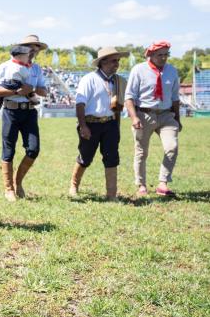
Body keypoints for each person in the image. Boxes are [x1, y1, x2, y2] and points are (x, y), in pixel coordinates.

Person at [0, 36, 48, 201]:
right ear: (23, 48)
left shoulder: (37, 69)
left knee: (33, 149)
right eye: (31, 48)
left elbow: (44, 92)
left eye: (36, 49)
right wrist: (17, 91)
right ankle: (9, 188)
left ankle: (18, 181)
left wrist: (33, 88)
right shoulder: (6, 66)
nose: (34, 51)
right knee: (8, 150)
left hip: (30, 112)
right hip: (11, 111)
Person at [124, 41, 181, 197]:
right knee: (141, 152)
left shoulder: (172, 71)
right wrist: (134, 117)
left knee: (172, 147)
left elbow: (175, 97)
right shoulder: (138, 70)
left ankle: (163, 183)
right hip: (144, 114)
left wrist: (177, 119)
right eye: (160, 55)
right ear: (150, 55)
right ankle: (141, 185)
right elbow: (129, 97)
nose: (163, 58)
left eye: (166, 55)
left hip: (167, 115)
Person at [69, 47, 128, 200]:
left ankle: (111, 194)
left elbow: (119, 107)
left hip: (110, 124)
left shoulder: (119, 81)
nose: (117, 64)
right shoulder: (89, 79)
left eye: (118, 60)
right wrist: (83, 126)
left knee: (112, 157)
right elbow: (80, 104)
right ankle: (74, 185)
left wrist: (117, 127)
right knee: (85, 157)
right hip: (90, 124)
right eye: (114, 60)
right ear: (103, 62)